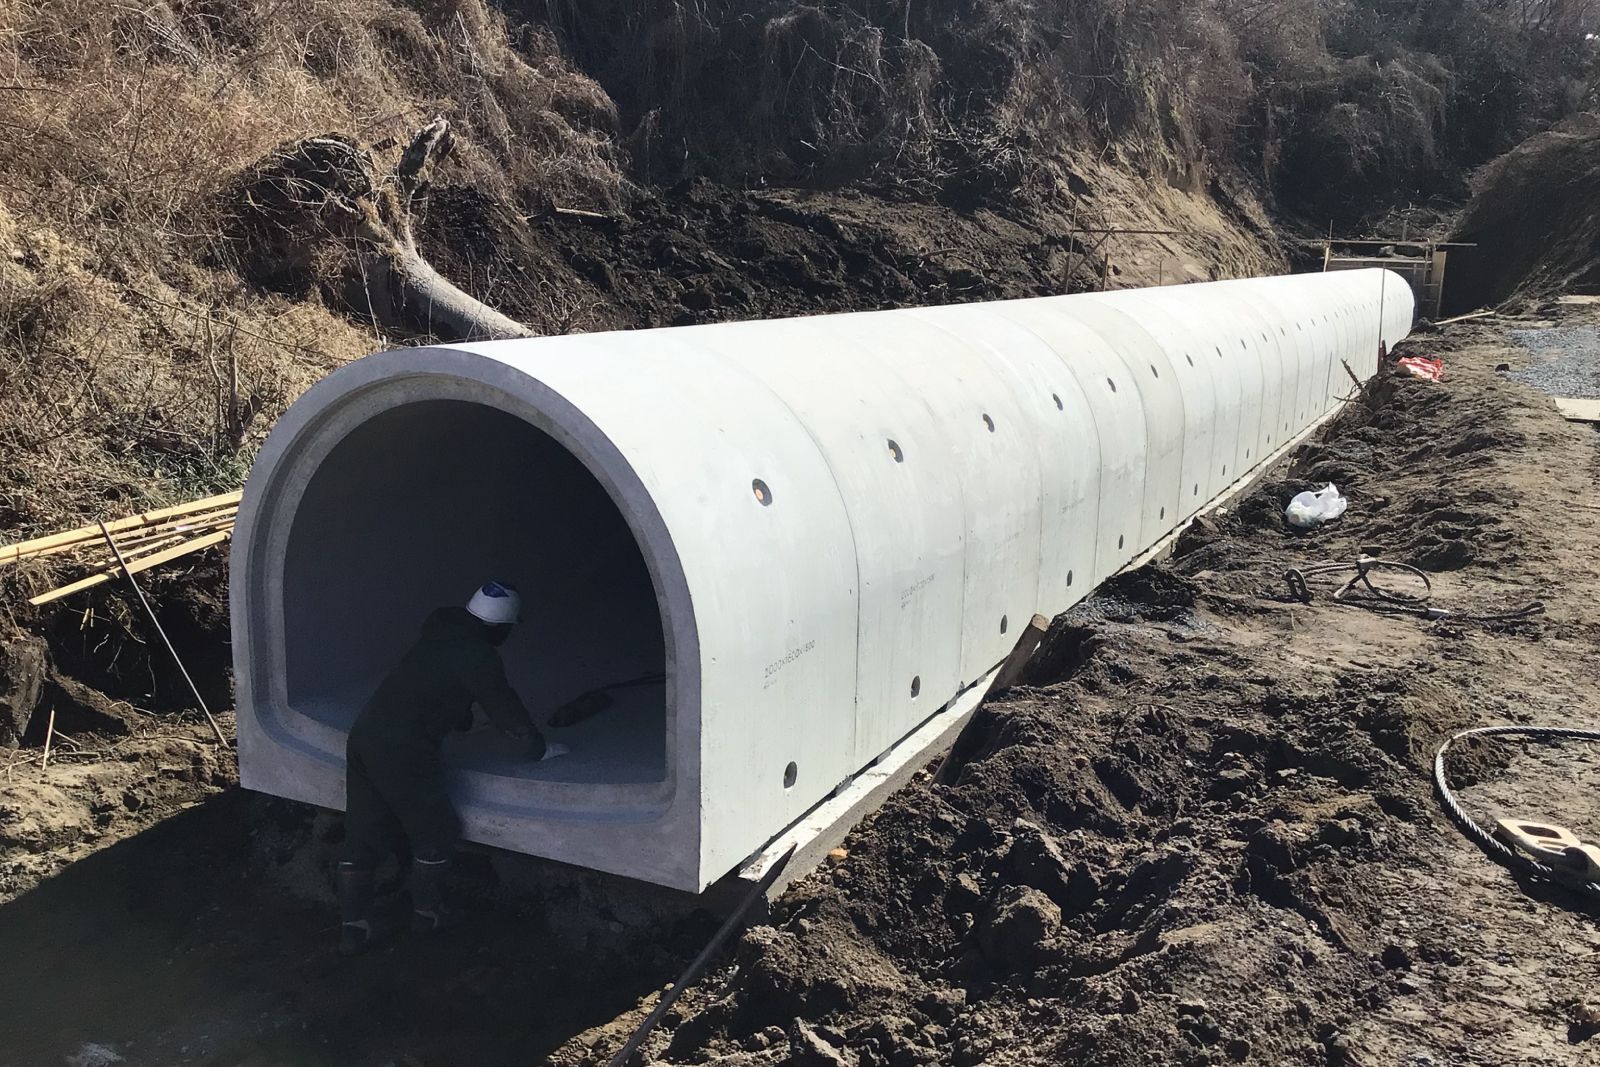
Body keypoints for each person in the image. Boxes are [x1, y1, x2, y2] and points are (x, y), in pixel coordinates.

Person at [336, 581, 565, 955]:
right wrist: (536, 748)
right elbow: (504, 706)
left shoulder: (440, 634)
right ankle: (428, 913)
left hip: (365, 736)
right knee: (436, 829)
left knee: (364, 831)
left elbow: (433, 682)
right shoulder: (478, 655)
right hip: (404, 749)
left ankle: (354, 927)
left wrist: (459, 717)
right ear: (500, 627)